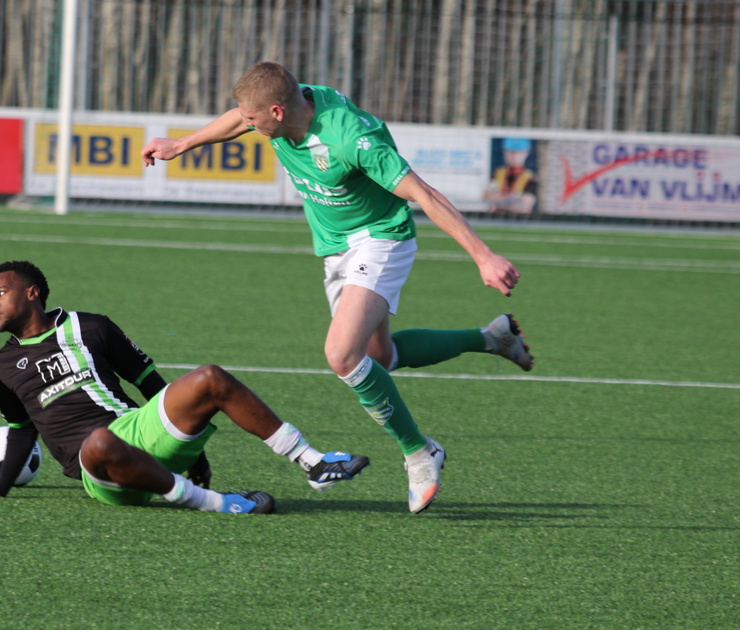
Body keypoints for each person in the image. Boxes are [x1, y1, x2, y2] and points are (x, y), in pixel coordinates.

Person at [141, 61, 534, 514]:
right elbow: (237, 117)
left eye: (252, 119)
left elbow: (424, 194)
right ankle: (492, 338)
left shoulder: (351, 139)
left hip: (381, 237)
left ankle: (419, 451)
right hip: (335, 248)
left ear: (277, 110)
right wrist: (183, 143)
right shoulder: (285, 107)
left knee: (342, 355)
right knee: (378, 358)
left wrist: (483, 255)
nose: (245, 125)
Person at [0, 261, 371, 514]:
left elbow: (151, 384)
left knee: (211, 376)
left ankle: (312, 462)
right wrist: (0, 488)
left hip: (139, 430)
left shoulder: (92, 326)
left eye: (0, 292)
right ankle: (215, 503)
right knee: (99, 442)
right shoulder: (3, 364)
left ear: (32, 294)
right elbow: (21, 429)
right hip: (100, 472)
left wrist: (195, 449)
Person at [484, 137, 539, 213]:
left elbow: (524, 206)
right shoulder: (498, 173)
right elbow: (487, 196)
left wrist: (499, 201)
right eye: (511, 152)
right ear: (505, 152)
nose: (514, 156)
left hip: (520, 220)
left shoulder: (530, 178)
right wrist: (511, 202)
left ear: (526, 153)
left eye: (518, 152)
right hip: (497, 218)